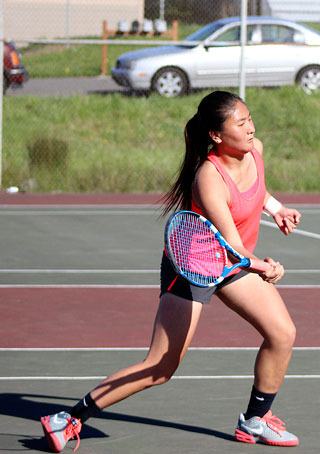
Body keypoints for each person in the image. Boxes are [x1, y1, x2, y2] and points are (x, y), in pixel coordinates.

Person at [40, 91, 302, 451]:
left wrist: (276, 208)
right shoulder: (209, 177)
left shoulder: (256, 151)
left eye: (249, 118)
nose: (250, 127)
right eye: (240, 123)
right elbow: (232, 244)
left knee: (282, 333)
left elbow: (258, 190)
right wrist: (264, 266)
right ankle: (67, 420)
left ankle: (255, 421)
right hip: (195, 267)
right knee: (160, 367)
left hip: (231, 265)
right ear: (216, 135)